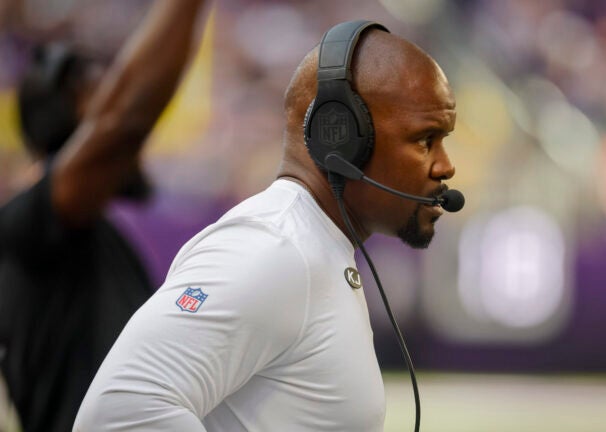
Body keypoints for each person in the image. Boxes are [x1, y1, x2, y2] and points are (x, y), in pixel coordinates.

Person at [74, 20, 457, 431]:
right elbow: (118, 412)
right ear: (340, 137)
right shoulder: (273, 250)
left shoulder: (314, 247)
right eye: (424, 139)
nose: (446, 165)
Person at [0, 1, 207, 431]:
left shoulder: (99, 237)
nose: (138, 145)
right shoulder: (29, 224)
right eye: (100, 94)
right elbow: (125, 121)